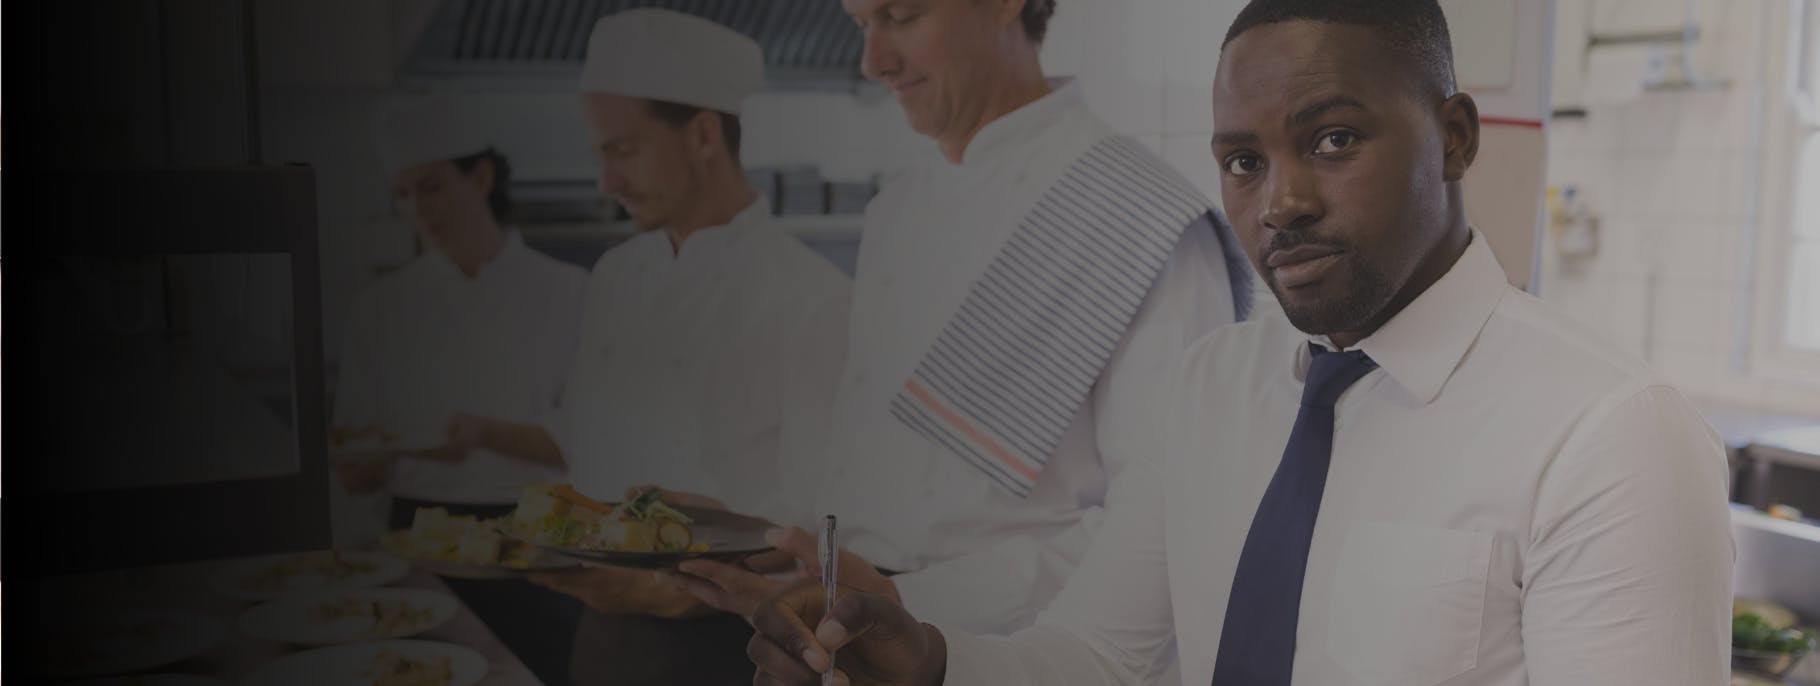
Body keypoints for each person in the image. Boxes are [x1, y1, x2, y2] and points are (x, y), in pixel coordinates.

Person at [744, 1, 1735, 684]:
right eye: (1240, 160)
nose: (1281, 202)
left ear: (1455, 137)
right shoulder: (1211, 388)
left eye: (1333, 138)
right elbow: (1098, 656)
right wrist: (926, 657)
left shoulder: (1608, 436)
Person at [667, 0, 1253, 655]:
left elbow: (1158, 522)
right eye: (862, 25)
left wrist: (904, 604)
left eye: (901, 15)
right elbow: (870, 477)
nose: (873, 61)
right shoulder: (896, 209)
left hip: (1008, 652)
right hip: (847, 637)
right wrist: (748, 538)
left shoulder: (1136, 215)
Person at [446, 9, 852, 685]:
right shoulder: (616, 275)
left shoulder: (814, 295)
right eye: (600, 152)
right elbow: (588, 450)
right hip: (604, 629)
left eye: (623, 150)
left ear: (701, 134)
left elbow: (822, 522)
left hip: (733, 643)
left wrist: (681, 583)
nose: (606, 181)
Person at [331, 97, 589, 685]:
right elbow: (352, 468)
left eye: (431, 187)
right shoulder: (378, 309)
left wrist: (481, 434)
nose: (417, 210)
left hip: (539, 548)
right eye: (402, 194)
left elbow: (586, 443)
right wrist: (378, 456)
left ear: (480, 177)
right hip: (417, 548)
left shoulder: (570, 291)